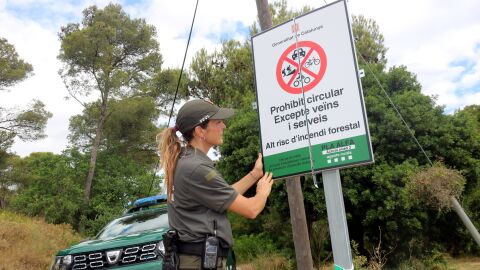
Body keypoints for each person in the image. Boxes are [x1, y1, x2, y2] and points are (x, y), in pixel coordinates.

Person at [157, 99, 274, 270]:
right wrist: (262, 192)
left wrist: (254, 175)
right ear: (200, 131)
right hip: (198, 262)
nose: (224, 126)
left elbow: (223, 197)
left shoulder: (187, 160)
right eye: (218, 122)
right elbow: (251, 209)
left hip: (196, 260)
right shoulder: (197, 168)